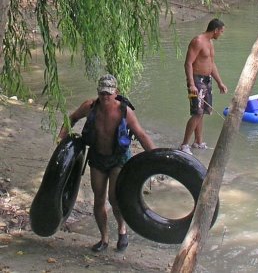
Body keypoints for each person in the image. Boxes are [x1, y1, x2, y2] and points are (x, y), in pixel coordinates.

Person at [57, 74, 156, 252]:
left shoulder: (124, 111)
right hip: (97, 158)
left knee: (114, 198)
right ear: (98, 92)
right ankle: (104, 238)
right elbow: (71, 118)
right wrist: (60, 139)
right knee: (99, 198)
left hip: (119, 158)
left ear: (116, 93)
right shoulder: (90, 106)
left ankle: (122, 229)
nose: (105, 97)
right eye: (102, 93)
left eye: (109, 93)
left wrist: (157, 159)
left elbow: (141, 135)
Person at [179, 18, 228, 155]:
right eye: (221, 32)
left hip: (207, 80)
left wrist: (220, 82)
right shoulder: (198, 41)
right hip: (196, 80)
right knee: (197, 112)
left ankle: (198, 141)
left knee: (203, 112)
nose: (221, 35)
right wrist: (191, 84)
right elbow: (188, 63)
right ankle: (184, 145)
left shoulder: (210, 43)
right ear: (216, 30)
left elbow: (211, 65)